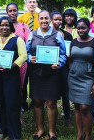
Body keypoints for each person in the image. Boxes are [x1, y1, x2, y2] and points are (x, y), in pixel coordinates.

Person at [26, 10, 67, 140]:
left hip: (52, 73)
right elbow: (26, 51)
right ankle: (40, 129)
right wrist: (29, 58)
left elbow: (63, 54)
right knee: (37, 101)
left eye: (46, 18)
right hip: (36, 72)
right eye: (41, 18)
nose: (44, 21)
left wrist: (59, 64)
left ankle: (51, 131)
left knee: (51, 103)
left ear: (50, 20)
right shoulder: (32, 35)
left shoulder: (57, 35)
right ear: (38, 20)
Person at [0, 17, 27, 140]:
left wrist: (11, 66)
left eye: (7, 25)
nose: (4, 27)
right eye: (2, 25)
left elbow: (23, 55)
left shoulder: (17, 40)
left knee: (12, 103)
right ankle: (2, 130)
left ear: (11, 27)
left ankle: (15, 134)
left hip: (11, 75)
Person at [68, 18, 94, 140]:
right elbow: (70, 60)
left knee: (85, 108)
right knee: (77, 107)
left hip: (88, 78)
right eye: (78, 28)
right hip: (74, 77)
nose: (80, 30)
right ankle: (80, 134)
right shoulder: (73, 42)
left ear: (89, 28)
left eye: (83, 28)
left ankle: (88, 135)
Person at [50, 11, 73, 127]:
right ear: (51, 20)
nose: (58, 21)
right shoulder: (47, 34)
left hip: (64, 66)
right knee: (51, 92)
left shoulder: (67, 35)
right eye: (55, 19)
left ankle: (67, 118)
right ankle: (50, 115)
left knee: (65, 92)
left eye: (59, 19)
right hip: (50, 67)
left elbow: (70, 50)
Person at [17, 0, 39, 110]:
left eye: (34, 2)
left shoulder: (41, 18)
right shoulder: (21, 19)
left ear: (36, 4)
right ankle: (23, 102)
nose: (32, 4)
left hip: (37, 52)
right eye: (29, 2)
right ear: (26, 4)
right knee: (24, 80)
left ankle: (35, 101)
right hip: (24, 53)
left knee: (35, 79)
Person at [5, 3, 30, 94]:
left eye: (14, 10)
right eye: (10, 11)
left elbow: (28, 44)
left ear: (17, 12)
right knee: (8, 84)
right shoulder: (3, 26)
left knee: (21, 84)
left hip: (21, 61)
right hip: (6, 60)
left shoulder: (24, 26)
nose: (12, 13)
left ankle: (20, 105)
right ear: (7, 13)